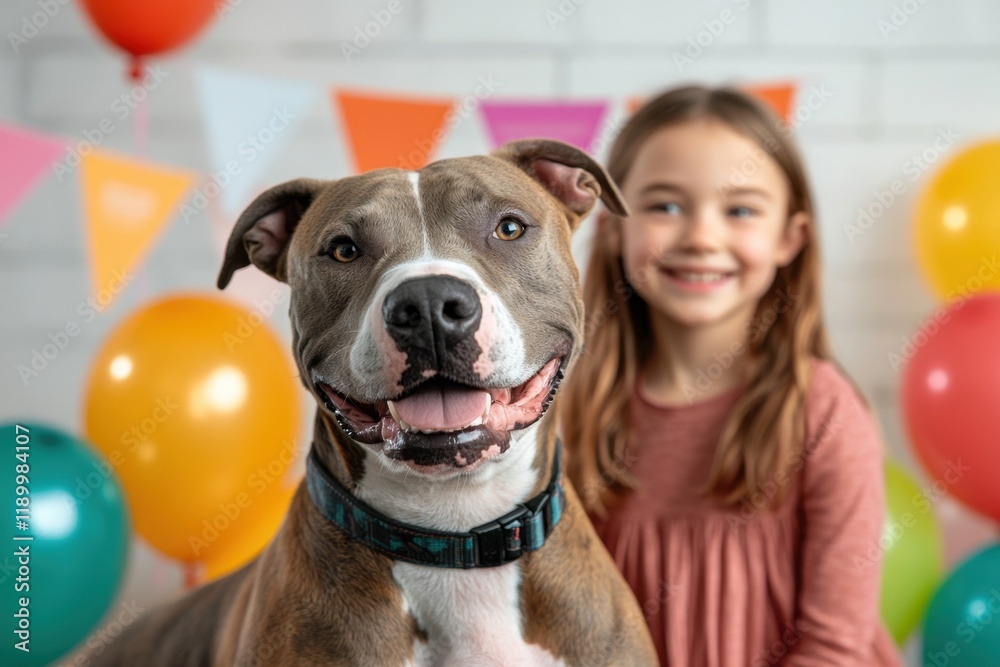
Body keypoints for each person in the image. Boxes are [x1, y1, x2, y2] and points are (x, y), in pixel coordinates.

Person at [562, 85, 903, 666]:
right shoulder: (574, 411)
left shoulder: (821, 410)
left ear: (789, 239)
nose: (701, 237)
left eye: (740, 210)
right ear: (614, 228)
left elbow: (834, 646)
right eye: (665, 206)